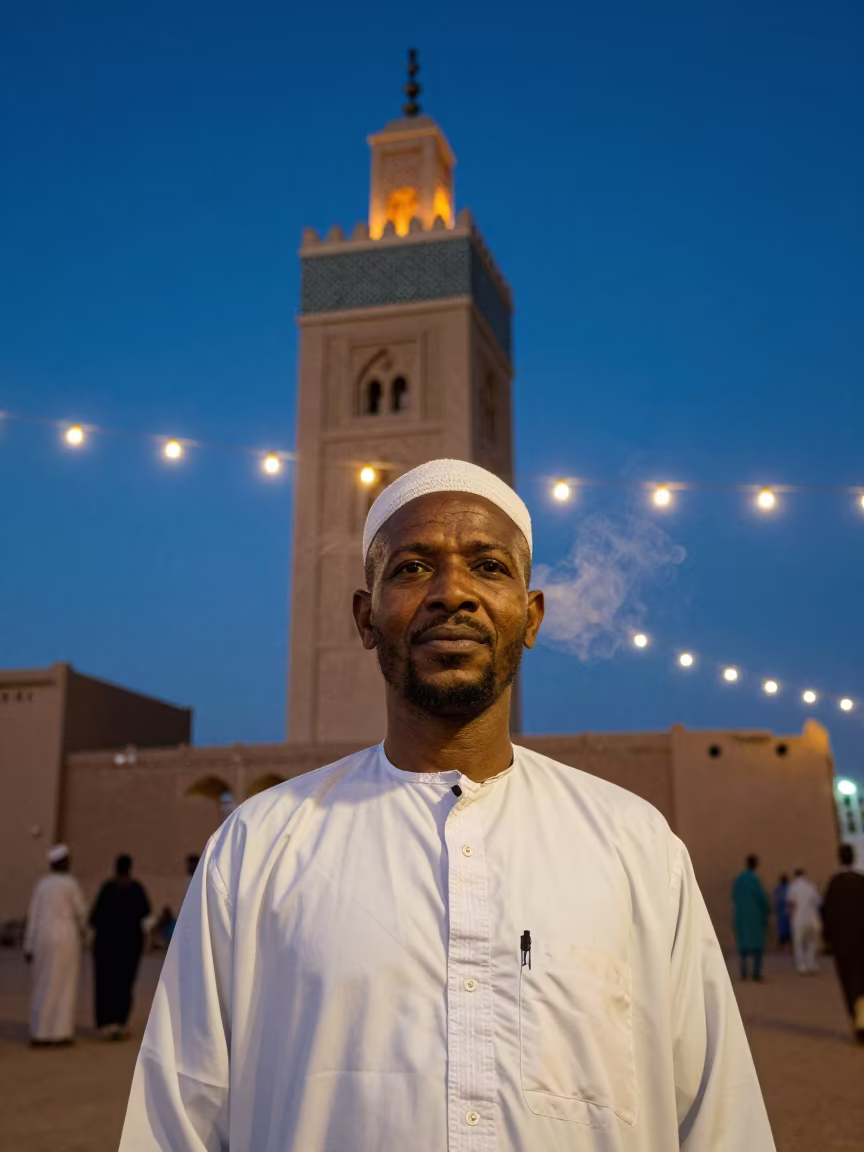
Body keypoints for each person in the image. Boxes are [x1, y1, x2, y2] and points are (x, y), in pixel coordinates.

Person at [120, 459, 775, 1150]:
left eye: (489, 567)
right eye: (411, 569)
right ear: (365, 617)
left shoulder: (634, 847)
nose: (451, 593)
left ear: (531, 616)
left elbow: (717, 1117)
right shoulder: (258, 847)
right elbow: (176, 1122)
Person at [23, 844, 87, 1046]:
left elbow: (33, 915)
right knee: (64, 984)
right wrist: (86, 931)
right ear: (62, 863)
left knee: (43, 983)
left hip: (43, 936)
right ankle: (60, 1034)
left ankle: (40, 1033)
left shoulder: (42, 885)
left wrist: (28, 945)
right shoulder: (70, 884)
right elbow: (81, 912)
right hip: (66, 935)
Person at [89, 854, 151, 1040]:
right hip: (128, 948)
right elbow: (147, 919)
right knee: (124, 985)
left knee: (105, 984)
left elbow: (94, 919)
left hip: (105, 947)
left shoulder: (108, 888)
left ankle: (106, 1023)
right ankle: (119, 1023)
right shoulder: (136, 889)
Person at [821, 843, 864, 1043]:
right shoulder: (861, 881)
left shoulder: (834, 885)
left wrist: (828, 938)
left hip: (843, 945)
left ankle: (858, 1021)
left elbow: (826, 915)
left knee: (850, 983)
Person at [732, 855, 771, 981]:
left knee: (743, 945)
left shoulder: (739, 879)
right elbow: (761, 897)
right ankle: (756, 973)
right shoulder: (754, 880)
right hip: (754, 916)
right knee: (757, 946)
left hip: (741, 915)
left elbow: (734, 896)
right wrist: (767, 911)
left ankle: (743, 972)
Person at [786, 867, 822, 975]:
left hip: (799, 919)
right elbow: (818, 902)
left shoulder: (793, 887)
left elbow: (790, 903)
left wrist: (790, 916)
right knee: (812, 942)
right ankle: (811, 964)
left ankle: (801, 965)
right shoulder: (811, 886)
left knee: (799, 943)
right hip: (812, 919)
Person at [772, 873, 791, 950]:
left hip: (781, 914)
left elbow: (775, 901)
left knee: (782, 931)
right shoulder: (790, 889)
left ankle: (781, 947)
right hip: (788, 914)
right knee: (789, 931)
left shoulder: (778, 890)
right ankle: (788, 947)